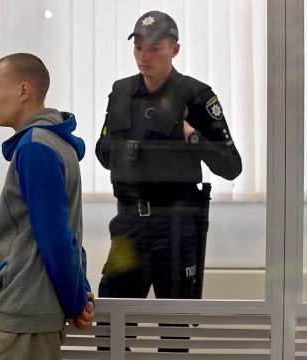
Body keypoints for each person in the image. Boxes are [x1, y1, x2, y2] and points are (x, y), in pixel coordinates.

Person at [95, 10, 242, 352]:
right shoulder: (121, 93)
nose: (144, 57)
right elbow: (103, 154)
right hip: (128, 225)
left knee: (174, 332)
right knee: (112, 325)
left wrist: (192, 139)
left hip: (175, 226)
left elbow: (231, 166)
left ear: (174, 49)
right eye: (139, 48)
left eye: (155, 48)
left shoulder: (196, 96)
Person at [0, 53, 95, 359]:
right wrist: (78, 292)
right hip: (31, 311)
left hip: (22, 316)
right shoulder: (54, 143)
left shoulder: (36, 148)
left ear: (23, 91)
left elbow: (56, 239)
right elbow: (66, 234)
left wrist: (75, 301)